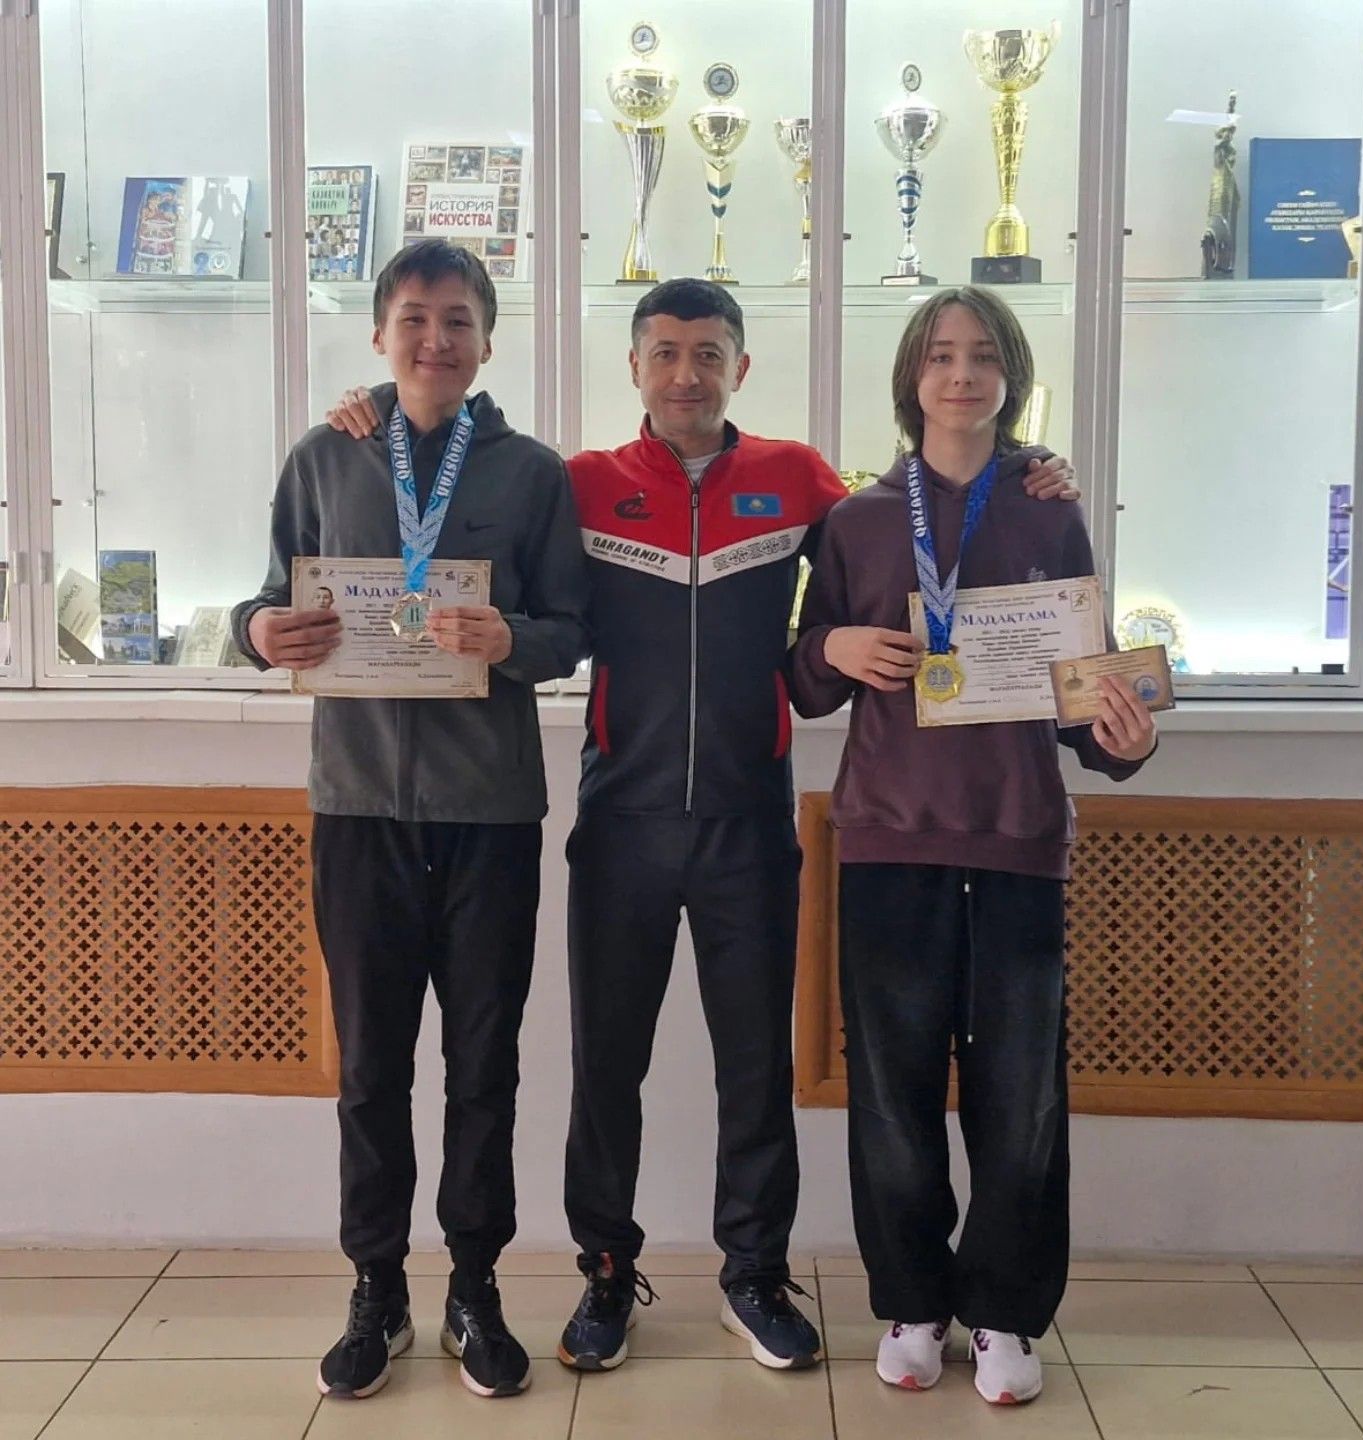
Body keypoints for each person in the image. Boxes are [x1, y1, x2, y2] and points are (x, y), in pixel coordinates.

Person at [322, 276, 1081, 1375]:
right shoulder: (579, 482)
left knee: (755, 1064)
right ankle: (605, 1274)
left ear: (740, 367)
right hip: (620, 819)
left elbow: (916, 502)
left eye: (709, 353)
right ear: (635, 366)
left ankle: (754, 1274)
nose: (687, 373)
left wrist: (1026, 464)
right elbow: (502, 543)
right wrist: (372, 408)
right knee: (606, 1068)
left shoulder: (800, 478)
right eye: (666, 353)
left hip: (748, 817)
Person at [231, 238, 588, 1403]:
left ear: (487, 339)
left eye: (458, 320)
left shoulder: (532, 475)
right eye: (416, 319)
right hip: (359, 809)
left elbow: (570, 628)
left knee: (484, 1064)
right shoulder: (324, 456)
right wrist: (258, 632)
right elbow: (266, 599)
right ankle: (376, 1287)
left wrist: (512, 640)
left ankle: (474, 1286)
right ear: (382, 332)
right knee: (372, 1068)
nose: (436, 340)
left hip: (491, 814)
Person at [789, 286, 1156, 1407]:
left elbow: (1084, 700)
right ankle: (912, 1300)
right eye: (941, 355)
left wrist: (1125, 738)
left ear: (1011, 376)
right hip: (888, 839)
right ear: (912, 376)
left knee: (1020, 1096)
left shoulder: (1050, 514)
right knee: (891, 1091)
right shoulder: (856, 519)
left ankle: (1003, 1311)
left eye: (983, 355)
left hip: (1016, 841)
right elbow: (804, 677)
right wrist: (836, 646)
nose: (961, 374)